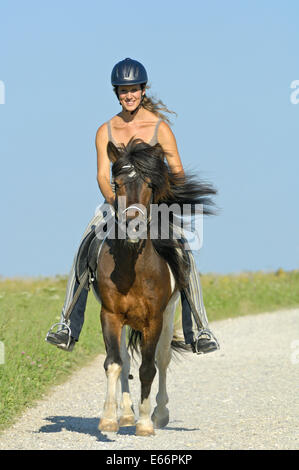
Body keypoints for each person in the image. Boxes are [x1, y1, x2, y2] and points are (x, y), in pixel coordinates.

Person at [46, 58, 219, 355]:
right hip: (117, 204)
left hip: (155, 204)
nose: (129, 96)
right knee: (83, 249)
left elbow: (176, 170)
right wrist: (118, 204)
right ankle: (66, 325)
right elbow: (102, 175)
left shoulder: (159, 128)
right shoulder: (105, 130)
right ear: (117, 93)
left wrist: (161, 197)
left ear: (142, 90)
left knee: (184, 254)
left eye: (134, 90)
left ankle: (199, 328)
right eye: (124, 91)